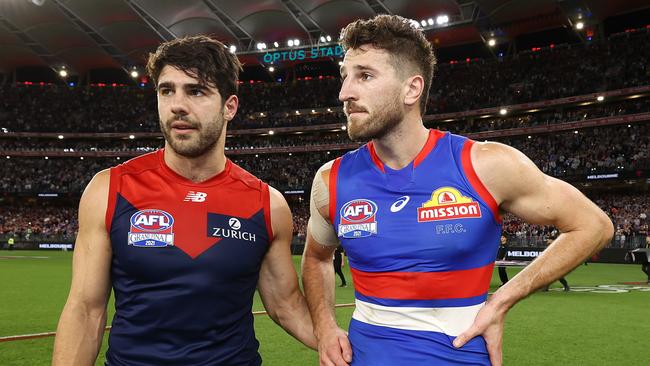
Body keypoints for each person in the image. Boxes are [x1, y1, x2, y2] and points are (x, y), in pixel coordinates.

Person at [301, 14, 613, 366]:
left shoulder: (485, 165)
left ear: (412, 89)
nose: (345, 93)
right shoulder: (332, 180)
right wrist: (325, 327)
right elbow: (316, 258)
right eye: (345, 76)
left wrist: (502, 299)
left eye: (365, 75)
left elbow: (593, 225)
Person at [52, 35, 316, 365]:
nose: (177, 104)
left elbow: (285, 305)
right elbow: (85, 311)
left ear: (229, 107)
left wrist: (349, 347)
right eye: (167, 90)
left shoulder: (267, 204)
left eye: (196, 90)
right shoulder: (110, 189)